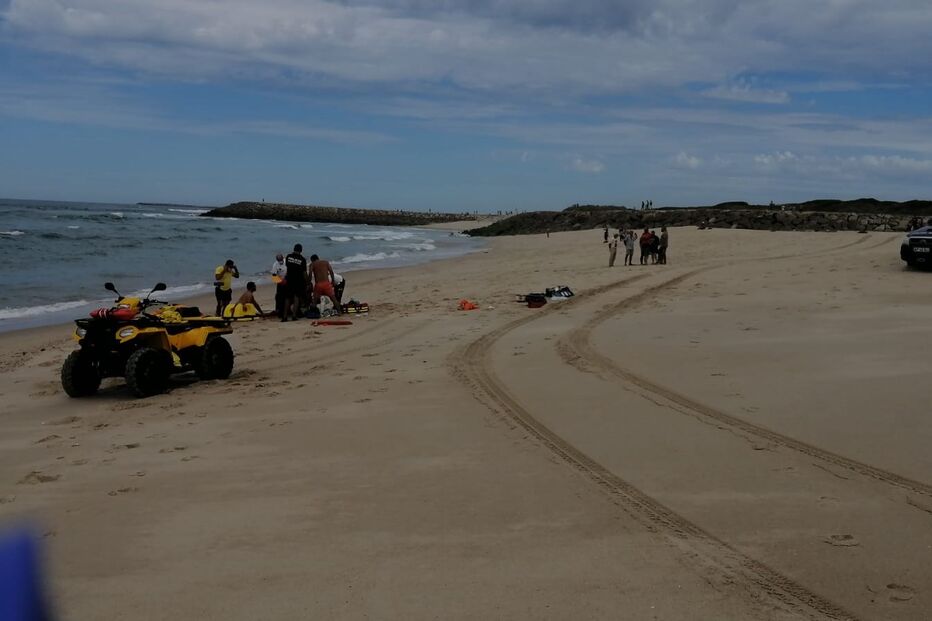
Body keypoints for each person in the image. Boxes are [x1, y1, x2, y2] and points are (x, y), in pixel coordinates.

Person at [282, 244, 307, 322]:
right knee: (296, 298)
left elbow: (286, 267)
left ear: (294, 249)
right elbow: (304, 273)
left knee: (287, 298)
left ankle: (284, 316)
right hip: (298, 281)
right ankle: (294, 316)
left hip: (289, 280)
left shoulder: (288, 257)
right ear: (301, 250)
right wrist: (307, 282)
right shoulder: (302, 259)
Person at [271, 253, 287, 319]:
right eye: (279, 260)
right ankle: (279, 311)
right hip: (280, 281)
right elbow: (274, 276)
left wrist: (286, 279)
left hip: (287, 280)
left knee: (287, 297)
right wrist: (280, 281)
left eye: (281, 260)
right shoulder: (275, 265)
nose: (280, 261)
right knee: (279, 297)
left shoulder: (286, 262)